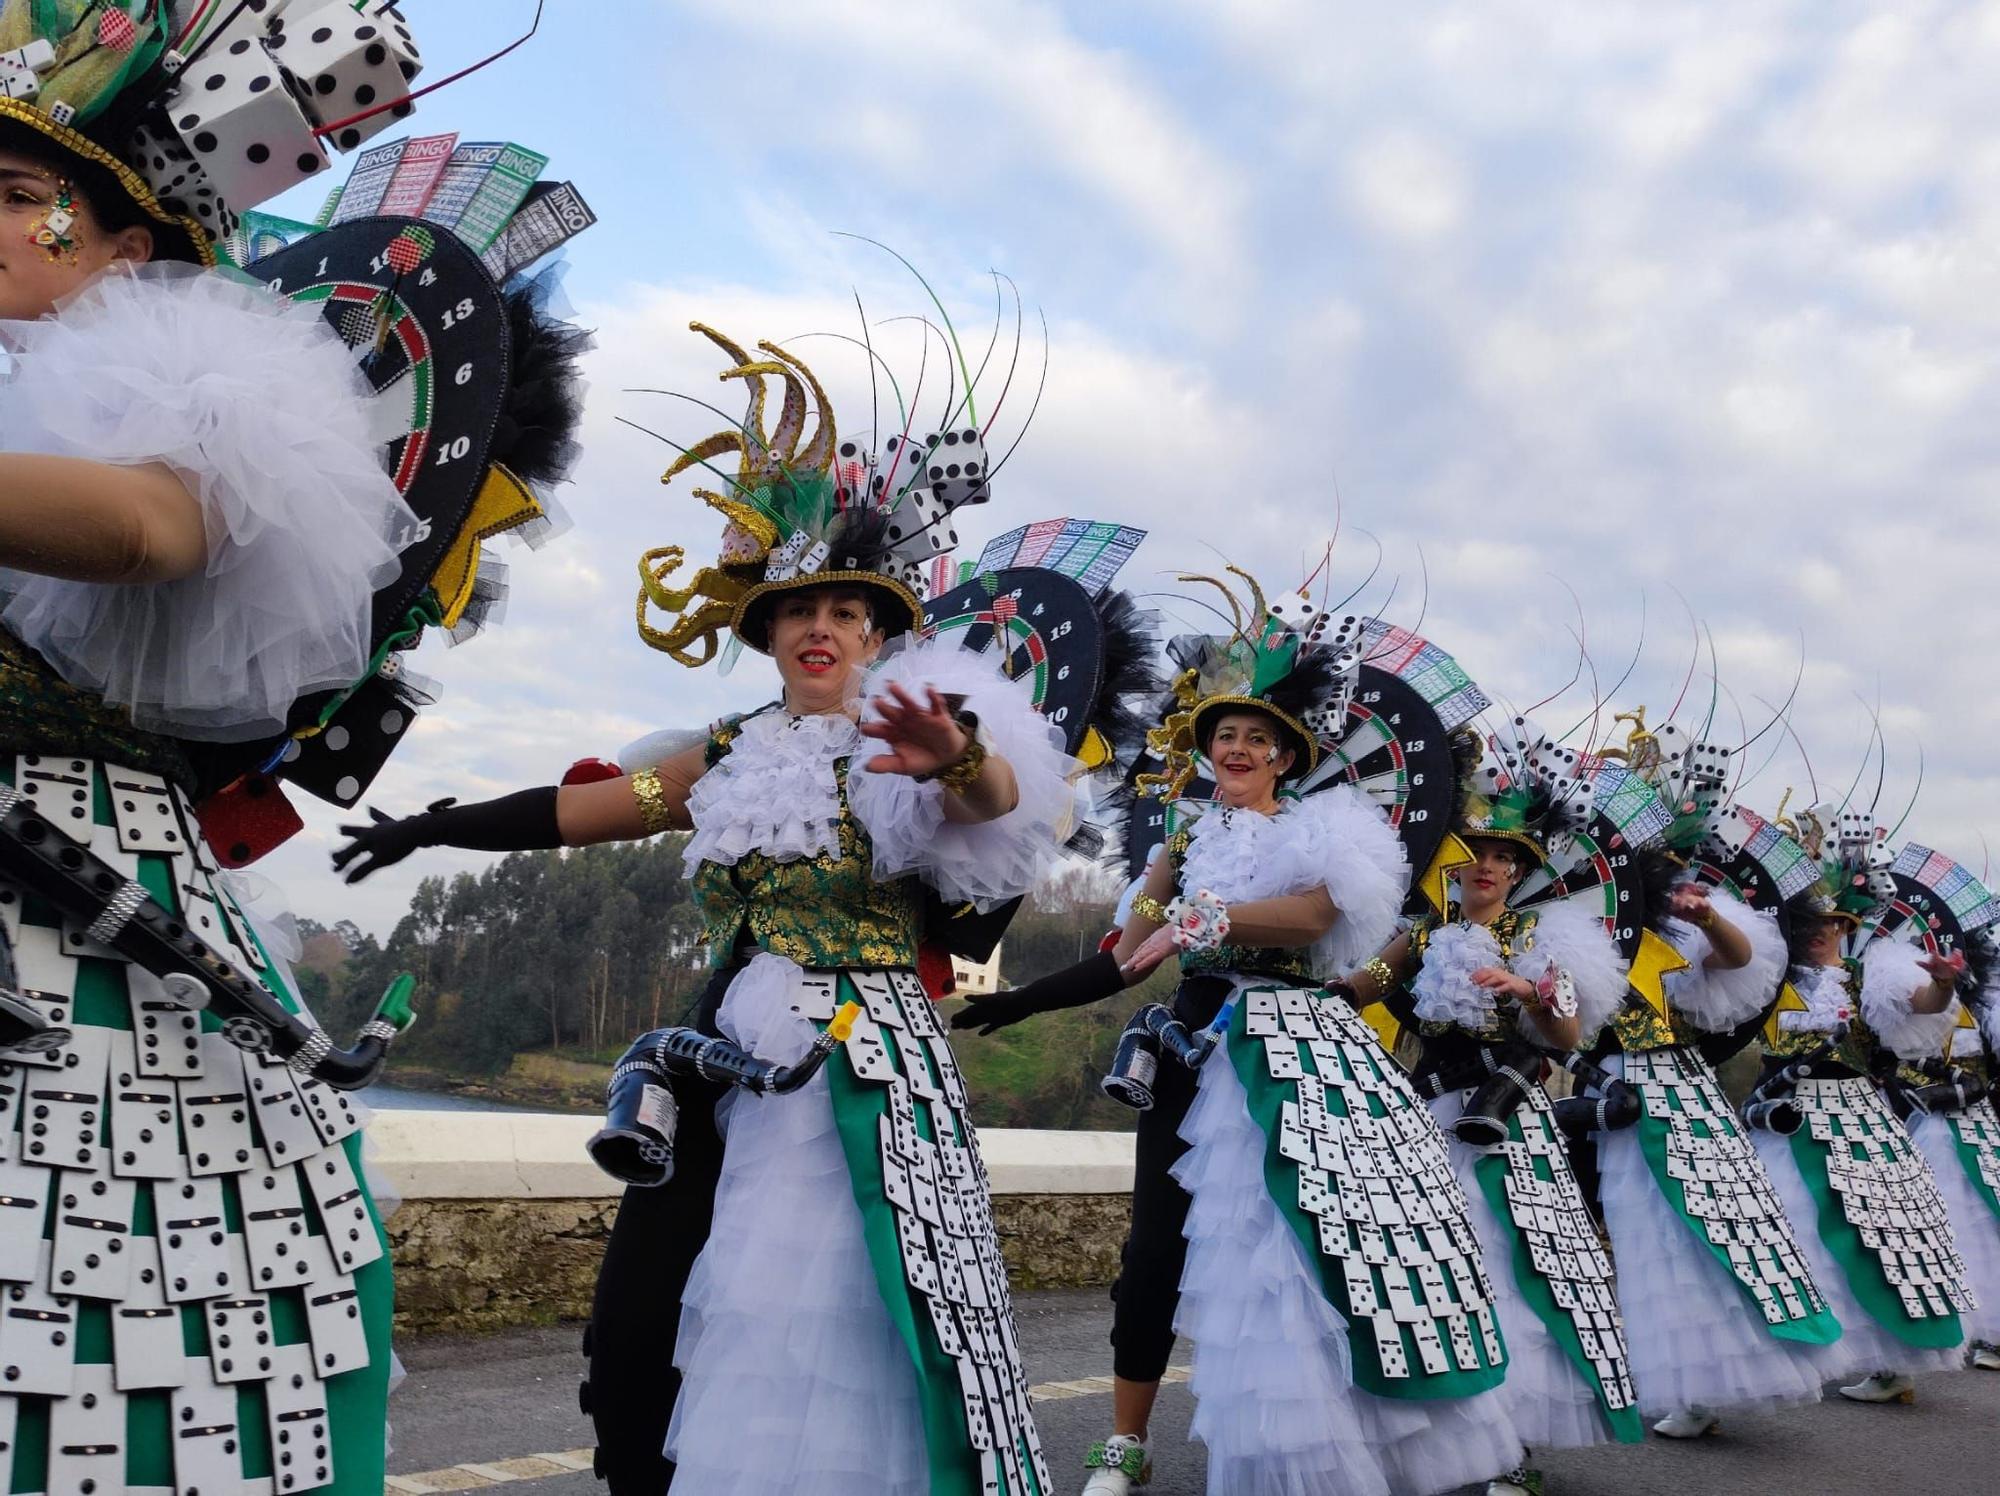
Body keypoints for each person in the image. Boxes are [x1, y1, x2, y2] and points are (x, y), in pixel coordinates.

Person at [336, 326, 1076, 1495]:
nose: (819, 626)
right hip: (723, 1053)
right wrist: (432, 825)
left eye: (843, 609)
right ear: (769, 633)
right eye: (795, 611)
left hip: (863, 1064)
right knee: (639, 1325)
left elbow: (992, 803)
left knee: (847, 1315)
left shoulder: (912, 742)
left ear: (878, 632)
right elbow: (587, 810)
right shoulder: (727, 754)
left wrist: (952, 752)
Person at [0, 9, 568, 1494]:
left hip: (73, 920)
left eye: (17, 193)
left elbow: (148, 528)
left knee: (98, 1351)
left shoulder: (194, 373)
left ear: (127, 244)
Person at [959, 584, 1524, 1496]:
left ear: (1286, 756)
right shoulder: (1179, 839)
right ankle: (1125, 1442)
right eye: (1225, 735)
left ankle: (1331, 1438)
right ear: (1204, 746)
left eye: (1257, 738)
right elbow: (1133, 952)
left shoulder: (1325, 829)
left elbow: (1312, 918)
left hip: (1298, 1050)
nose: (1238, 748)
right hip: (1192, 1045)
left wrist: (1211, 918)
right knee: (1154, 1250)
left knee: (1308, 1249)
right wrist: (1026, 1002)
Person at [1346, 731, 1641, 1496]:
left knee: (1508, 1272)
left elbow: (1569, 1034)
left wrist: (1529, 991)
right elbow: (1360, 987)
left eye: (1504, 856)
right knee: (1422, 1276)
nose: (1487, 864)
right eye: (1476, 850)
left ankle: (1512, 1452)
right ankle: (1432, 1439)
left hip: (1504, 1122)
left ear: (1519, 871)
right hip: (1424, 1121)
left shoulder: (1543, 937)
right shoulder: (1420, 935)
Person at [1577, 722, 1839, 1439]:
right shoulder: (1577, 906)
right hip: (1590, 1086)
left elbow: (1737, 957)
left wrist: (1707, 918)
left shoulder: (1674, 915)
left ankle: (1691, 1385)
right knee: (1618, 1232)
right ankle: (1655, 1376)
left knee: (1678, 1231)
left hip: (1667, 1090)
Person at [1744, 810, 1974, 1407]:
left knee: (1873, 1236)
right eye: (1811, 921)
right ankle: (1789, 1360)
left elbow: (1921, 1002)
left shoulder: (1870, 977)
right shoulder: (1770, 978)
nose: (1822, 932)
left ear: (1848, 925)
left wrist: (1944, 984)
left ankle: (1887, 1362)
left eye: (1833, 922)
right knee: (1775, 1237)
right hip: (1780, 1116)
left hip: (1853, 1118)